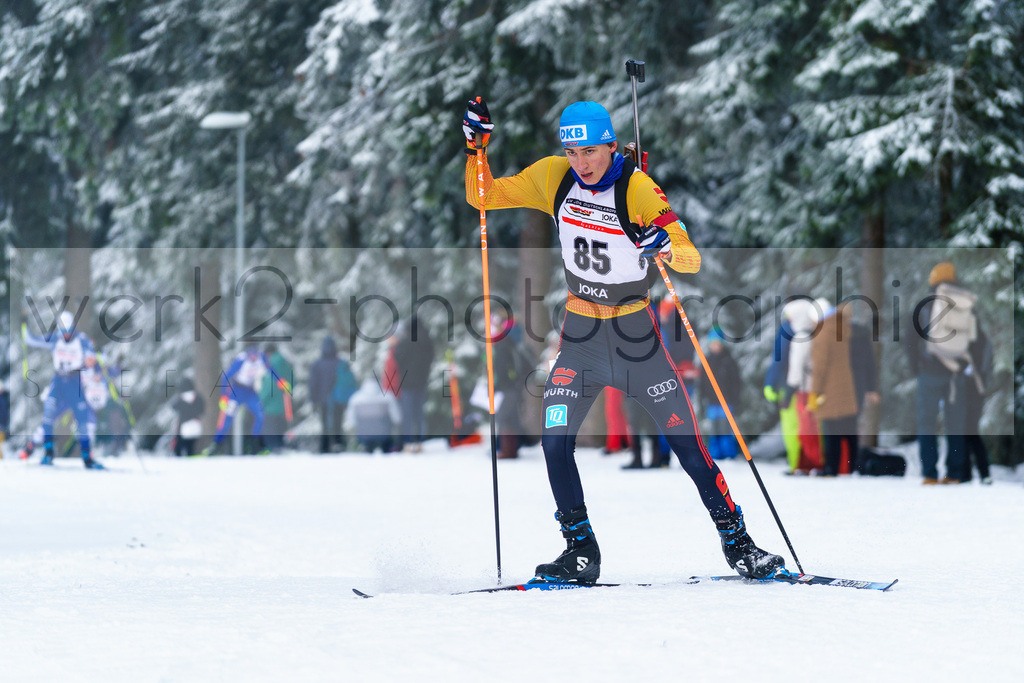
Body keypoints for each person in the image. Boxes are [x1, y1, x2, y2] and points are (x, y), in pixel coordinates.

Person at [463, 97, 783, 582]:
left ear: (611, 145)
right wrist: (477, 150)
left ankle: (739, 544)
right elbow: (484, 196)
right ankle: (580, 551)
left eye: (590, 151)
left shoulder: (637, 188)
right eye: (573, 153)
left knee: (689, 448)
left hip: (637, 343)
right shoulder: (554, 176)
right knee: (554, 443)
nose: (581, 163)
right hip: (581, 340)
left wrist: (666, 246)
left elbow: (690, 256)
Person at [904, 262, 984, 484]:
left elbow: (910, 339)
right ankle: (954, 473)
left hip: (929, 371)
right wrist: (967, 367)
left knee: (927, 423)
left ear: (933, 280)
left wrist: (915, 367)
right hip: (956, 374)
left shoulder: (924, 305)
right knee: (955, 424)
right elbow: (977, 342)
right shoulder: (966, 304)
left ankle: (930, 473)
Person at [23, 311, 103, 469]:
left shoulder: (81, 340)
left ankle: (87, 457)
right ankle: (48, 453)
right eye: (63, 331)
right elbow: (30, 339)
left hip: (74, 383)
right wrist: (24, 324)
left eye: (69, 331)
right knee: (48, 415)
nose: (66, 335)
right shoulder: (54, 339)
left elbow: (94, 358)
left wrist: (96, 371)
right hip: (58, 382)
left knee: (83, 420)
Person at [807, 303, 879, 476]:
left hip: (831, 387)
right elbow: (869, 361)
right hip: (850, 385)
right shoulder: (848, 329)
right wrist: (871, 386)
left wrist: (814, 392)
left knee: (831, 429)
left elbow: (820, 368)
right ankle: (854, 467)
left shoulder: (824, 333)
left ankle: (832, 467)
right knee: (849, 428)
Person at [764, 298, 825, 474]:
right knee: (810, 426)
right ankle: (811, 463)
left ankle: (799, 464)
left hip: (789, 386)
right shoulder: (816, 330)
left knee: (793, 427)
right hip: (810, 387)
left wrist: (770, 382)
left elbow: (779, 358)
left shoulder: (789, 330)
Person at [202, 343, 289, 455]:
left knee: (261, 414)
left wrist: (280, 381)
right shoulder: (241, 360)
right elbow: (226, 377)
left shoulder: (261, 357)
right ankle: (215, 445)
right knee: (227, 419)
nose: (253, 356)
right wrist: (224, 396)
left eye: (255, 352)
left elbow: (271, 370)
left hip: (250, 392)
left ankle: (254, 445)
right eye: (250, 353)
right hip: (236, 391)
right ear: (247, 353)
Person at [491, 309, 531, 459]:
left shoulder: (504, 343)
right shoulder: (513, 340)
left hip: (508, 385)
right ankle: (511, 448)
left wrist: (497, 384)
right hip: (515, 384)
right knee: (511, 416)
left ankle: (507, 450)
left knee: (504, 416)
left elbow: (501, 367)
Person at [392, 315, 435, 452]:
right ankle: (420, 442)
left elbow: (397, 357)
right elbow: (430, 358)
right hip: (422, 381)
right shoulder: (426, 341)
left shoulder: (405, 342)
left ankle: (408, 443)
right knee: (419, 413)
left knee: (408, 414)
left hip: (407, 383)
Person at [697, 328, 741, 460]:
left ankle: (728, 454)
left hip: (726, 401)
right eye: (713, 343)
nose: (715, 346)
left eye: (717, 343)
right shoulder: (706, 360)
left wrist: (734, 399)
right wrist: (702, 398)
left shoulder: (728, 360)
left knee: (725, 428)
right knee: (714, 429)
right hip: (711, 402)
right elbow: (702, 382)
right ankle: (715, 454)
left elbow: (736, 382)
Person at [309, 336, 355, 453]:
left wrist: (313, 400)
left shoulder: (317, 364)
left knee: (325, 424)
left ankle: (325, 447)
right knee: (338, 423)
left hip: (323, 400)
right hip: (338, 399)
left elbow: (313, 384)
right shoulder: (340, 362)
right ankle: (338, 444)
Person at [345, 378, 401, 453]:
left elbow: (351, 422)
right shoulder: (388, 397)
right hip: (384, 436)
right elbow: (397, 418)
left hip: (363, 436)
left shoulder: (355, 399)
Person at [259, 343, 294, 452]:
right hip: (284, 404)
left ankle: (273, 451)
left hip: (271, 405)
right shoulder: (285, 362)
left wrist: (261, 399)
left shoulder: (271, 365)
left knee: (271, 432)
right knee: (280, 430)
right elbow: (293, 380)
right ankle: (281, 449)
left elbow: (269, 385)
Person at [171, 377, 205, 456]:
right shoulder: (198, 397)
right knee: (191, 449)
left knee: (179, 448)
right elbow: (202, 410)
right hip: (196, 426)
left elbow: (173, 407)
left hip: (184, 427)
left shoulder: (181, 398)